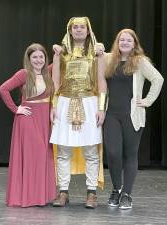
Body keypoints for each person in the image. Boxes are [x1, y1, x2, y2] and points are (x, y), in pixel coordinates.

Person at [50, 17, 107, 209]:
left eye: (83, 27)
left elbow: (101, 81)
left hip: (89, 103)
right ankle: (63, 192)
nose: (79, 30)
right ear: (70, 30)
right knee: (63, 151)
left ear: (88, 30)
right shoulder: (61, 53)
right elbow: (55, 82)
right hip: (65, 102)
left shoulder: (96, 52)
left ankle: (91, 193)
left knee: (91, 151)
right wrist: (54, 105)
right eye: (76, 27)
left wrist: (101, 107)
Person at [103, 29, 164, 209]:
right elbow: (95, 54)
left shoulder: (140, 61)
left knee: (130, 154)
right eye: (122, 39)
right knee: (113, 154)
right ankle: (116, 189)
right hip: (111, 115)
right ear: (117, 42)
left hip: (131, 115)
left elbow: (158, 79)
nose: (125, 42)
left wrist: (147, 101)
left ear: (134, 43)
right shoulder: (108, 60)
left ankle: (127, 195)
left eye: (129, 40)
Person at [0, 43, 56, 207]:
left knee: (43, 157)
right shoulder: (24, 74)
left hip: (44, 120)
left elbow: (62, 61)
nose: (38, 60)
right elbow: (3, 89)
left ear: (45, 58)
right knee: (33, 157)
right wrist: (16, 109)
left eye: (41, 57)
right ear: (29, 59)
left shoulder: (48, 72)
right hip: (28, 119)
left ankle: (39, 197)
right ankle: (28, 197)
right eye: (34, 57)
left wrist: (59, 51)